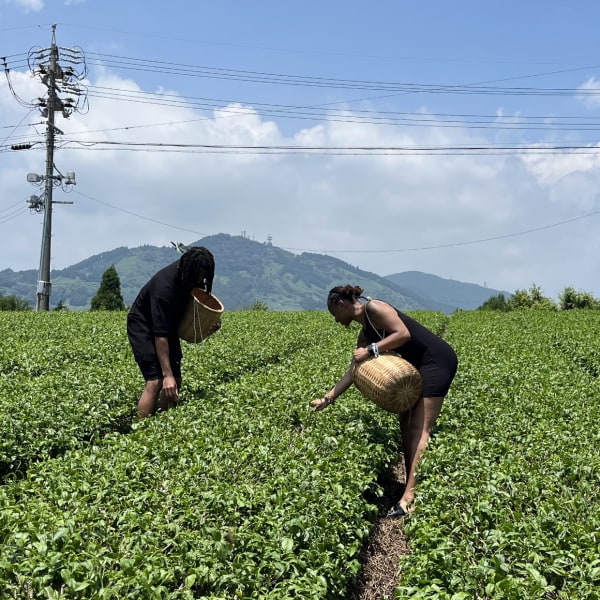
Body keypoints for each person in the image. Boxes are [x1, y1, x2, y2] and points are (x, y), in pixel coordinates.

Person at [311, 285, 458, 518]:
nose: (336, 320)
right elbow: (354, 370)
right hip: (416, 366)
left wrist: (371, 349)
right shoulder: (366, 331)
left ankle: (409, 498)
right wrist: (328, 398)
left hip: (436, 361)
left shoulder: (374, 308)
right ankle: (411, 483)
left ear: (342, 304)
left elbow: (403, 334)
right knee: (406, 426)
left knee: (421, 429)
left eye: (334, 314)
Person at [127, 246, 219, 419]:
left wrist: (209, 327)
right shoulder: (165, 288)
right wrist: (166, 374)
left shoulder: (191, 278)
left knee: (175, 381)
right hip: (143, 326)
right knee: (156, 381)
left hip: (168, 326)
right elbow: (160, 336)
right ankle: (140, 431)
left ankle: (163, 425)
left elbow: (191, 318)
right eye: (199, 276)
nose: (201, 280)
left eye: (204, 277)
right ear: (189, 269)